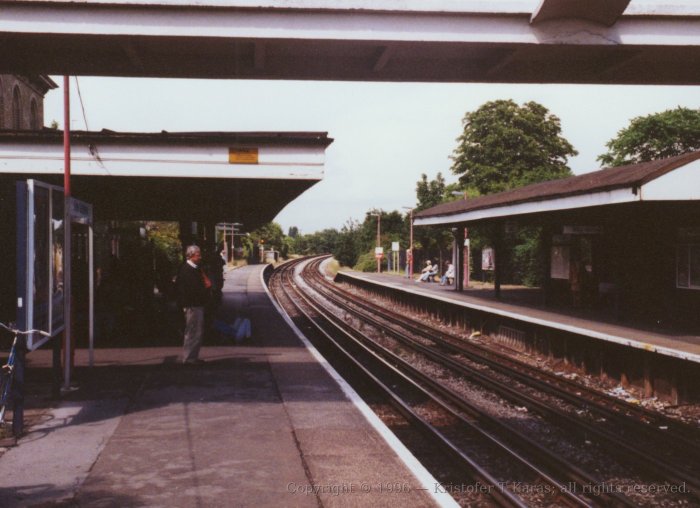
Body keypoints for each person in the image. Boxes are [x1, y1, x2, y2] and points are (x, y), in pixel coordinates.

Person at [176, 245, 211, 364]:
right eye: (198, 255)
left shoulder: (194, 268)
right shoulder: (187, 270)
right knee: (192, 331)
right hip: (192, 305)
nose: (200, 257)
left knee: (196, 331)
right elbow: (191, 289)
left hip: (196, 304)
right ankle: (189, 358)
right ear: (191, 255)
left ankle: (192, 356)